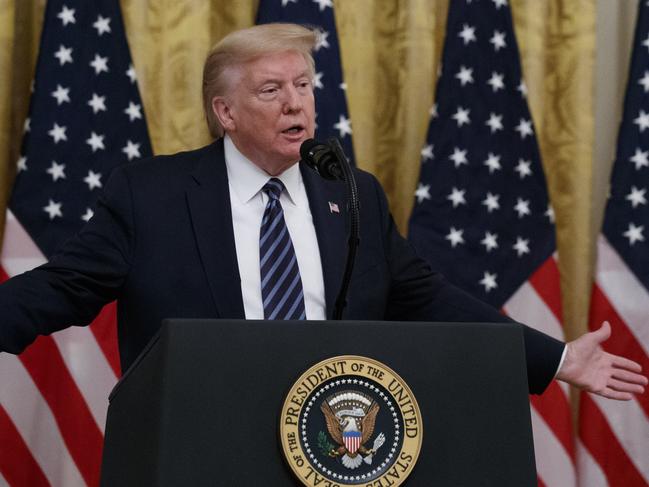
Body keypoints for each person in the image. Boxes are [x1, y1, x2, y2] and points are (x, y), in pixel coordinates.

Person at [0, 23, 645, 399]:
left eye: (304, 86)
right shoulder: (152, 195)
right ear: (225, 113)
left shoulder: (350, 193)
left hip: (333, 446)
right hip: (200, 451)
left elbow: (425, 297)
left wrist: (558, 360)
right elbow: (63, 287)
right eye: (272, 90)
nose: (296, 104)